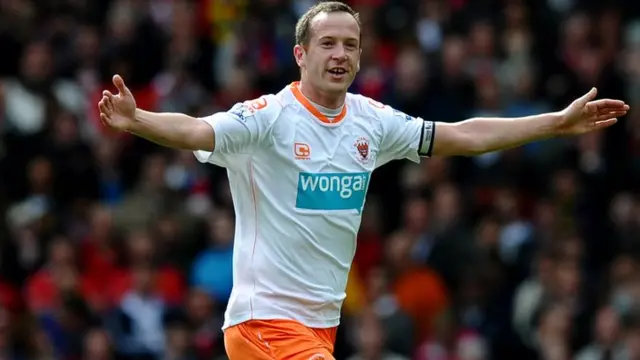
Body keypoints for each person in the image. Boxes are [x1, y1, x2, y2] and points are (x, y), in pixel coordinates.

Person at [97, 2, 629, 359]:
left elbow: (464, 134)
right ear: (301, 54)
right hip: (265, 321)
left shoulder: (372, 122)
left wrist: (556, 123)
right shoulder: (267, 117)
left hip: (321, 324)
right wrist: (138, 119)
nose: (341, 55)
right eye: (328, 44)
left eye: (350, 45)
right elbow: (195, 127)